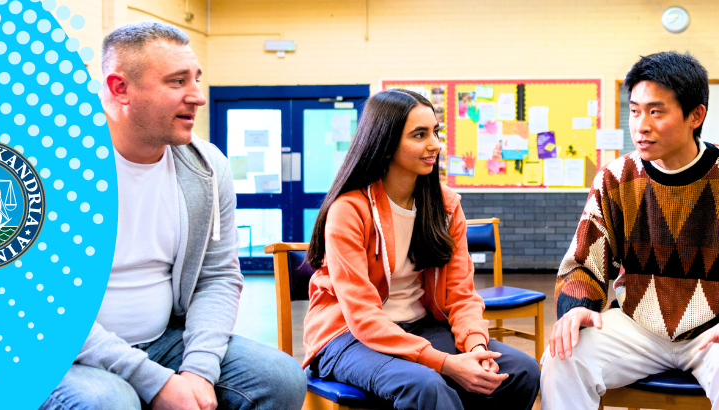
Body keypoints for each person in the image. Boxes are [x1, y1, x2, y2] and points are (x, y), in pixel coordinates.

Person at [41, 22, 306, 410]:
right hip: (61, 350)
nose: (198, 96)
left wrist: (198, 371)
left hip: (165, 340)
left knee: (280, 378)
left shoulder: (207, 166)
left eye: (196, 79)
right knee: (111, 401)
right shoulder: (48, 168)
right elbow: (44, 304)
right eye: (177, 82)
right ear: (120, 89)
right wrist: (155, 382)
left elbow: (218, 276)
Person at [540, 51, 719, 410]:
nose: (640, 125)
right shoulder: (616, 178)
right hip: (635, 327)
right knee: (562, 355)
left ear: (696, 115)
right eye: (634, 111)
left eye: (656, 111)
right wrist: (575, 307)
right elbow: (584, 263)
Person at [301, 89, 540, 410]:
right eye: (420, 135)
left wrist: (475, 346)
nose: (435, 145)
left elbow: (460, 294)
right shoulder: (349, 210)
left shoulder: (445, 205)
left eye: (435, 132)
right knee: (427, 385)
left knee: (521, 370)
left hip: (419, 325)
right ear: (385, 145)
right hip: (346, 336)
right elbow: (362, 315)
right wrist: (443, 362)